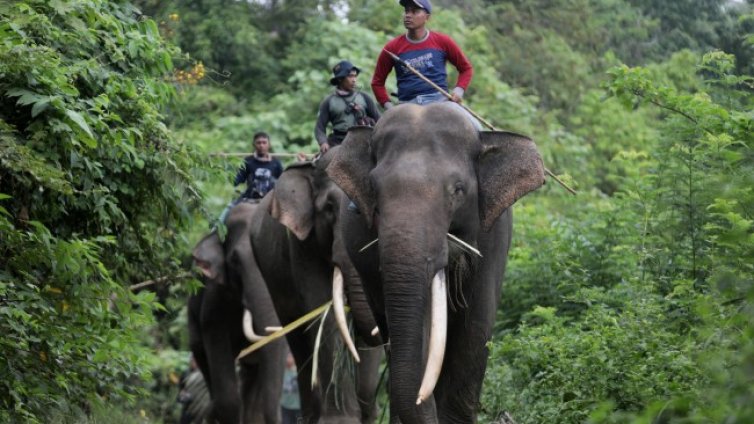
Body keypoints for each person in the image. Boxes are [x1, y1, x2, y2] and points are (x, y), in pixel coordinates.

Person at [371, 0, 480, 128]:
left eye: (415, 11)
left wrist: (458, 91)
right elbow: (377, 82)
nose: (408, 15)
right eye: (406, 11)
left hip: (441, 102)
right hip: (406, 105)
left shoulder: (443, 41)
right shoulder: (392, 47)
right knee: (376, 136)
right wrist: (389, 108)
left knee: (476, 127)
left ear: (427, 17)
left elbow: (466, 68)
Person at [315, 60, 381, 153]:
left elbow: (380, 120)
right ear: (340, 79)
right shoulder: (329, 101)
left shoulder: (364, 97)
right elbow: (319, 128)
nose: (354, 79)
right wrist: (323, 142)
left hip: (365, 142)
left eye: (355, 76)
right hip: (338, 143)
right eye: (350, 76)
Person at [218, 132, 283, 223]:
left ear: (269, 144)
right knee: (226, 212)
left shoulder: (276, 163)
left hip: (270, 200)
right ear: (254, 145)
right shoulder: (248, 161)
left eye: (264, 142)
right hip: (249, 198)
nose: (261, 145)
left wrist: (300, 161)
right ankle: (216, 231)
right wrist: (225, 164)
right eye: (258, 143)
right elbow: (236, 181)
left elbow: (283, 183)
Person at [280, 352, 301, 424]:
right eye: (287, 357)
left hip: (298, 407)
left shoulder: (299, 371)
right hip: (285, 407)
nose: (288, 359)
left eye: (290, 357)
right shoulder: (281, 372)